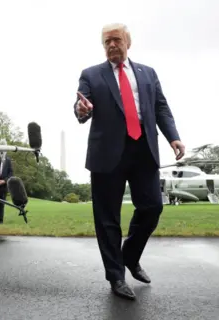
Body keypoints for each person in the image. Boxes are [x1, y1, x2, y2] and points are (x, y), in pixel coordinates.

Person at [74, 23, 185, 300]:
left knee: (152, 207)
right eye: (106, 41)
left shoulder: (148, 74)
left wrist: (173, 137)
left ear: (128, 42)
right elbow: (80, 105)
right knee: (107, 218)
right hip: (106, 155)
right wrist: (81, 109)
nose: (111, 45)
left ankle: (130, 256)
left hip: (143, 151)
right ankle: (116, 276)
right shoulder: (91, 74)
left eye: (116, 40)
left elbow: (161, 107)